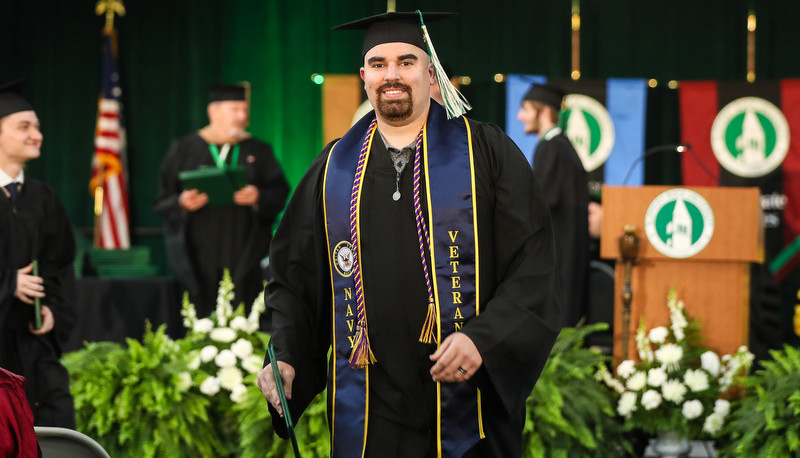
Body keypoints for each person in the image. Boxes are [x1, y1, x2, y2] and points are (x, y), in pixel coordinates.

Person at [257, 12, 561, 457]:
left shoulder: (486, 153)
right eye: (378, 64)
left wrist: (486, 338)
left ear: (429, 71)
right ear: (364, 76)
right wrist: (284, 355)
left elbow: (534, 260)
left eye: (406, 61)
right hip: (370, 407)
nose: (392, 75)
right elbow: (295, 277)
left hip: (467, 402)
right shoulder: (333, 168)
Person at [155, 84, 289, 317]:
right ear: (214, 112)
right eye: (235, 109)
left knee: (244, 307)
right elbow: (162, 199)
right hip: (198, 251)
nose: (242, 116)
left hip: (245, 249)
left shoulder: (258, 149)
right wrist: (182, 202)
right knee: (198, 310)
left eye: (245, 110)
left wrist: (258, 197)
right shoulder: (185, 149)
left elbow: (280, 192)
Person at [0, 80, 77, 428]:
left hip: (35, 347)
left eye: (38, 127)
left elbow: (59, 266)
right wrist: (7, 281)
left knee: (54, 427)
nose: (36, 134)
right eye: (24, 127)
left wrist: (51, 312)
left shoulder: (42, 197)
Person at [517, 83, 589, 328]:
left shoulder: (552, 148)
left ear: (545, 112)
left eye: (525, 109)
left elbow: (542, 201)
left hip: (559, 252)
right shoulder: (562, 147)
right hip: (566, 248)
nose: (520, 116)